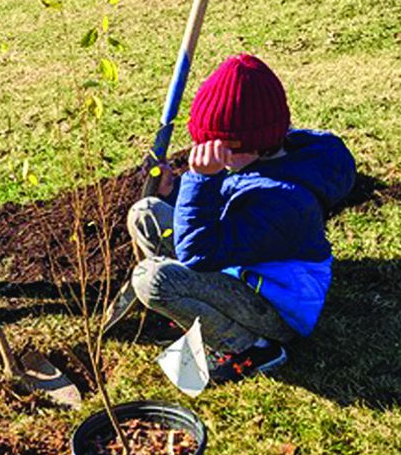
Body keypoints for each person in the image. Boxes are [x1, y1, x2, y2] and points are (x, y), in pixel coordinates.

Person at [125, 54, 355, 383]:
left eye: (216, 147)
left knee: (154, 280)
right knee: (146, 213)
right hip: (238, 267)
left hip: (275, 306)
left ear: (247, 143)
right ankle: (198, 314)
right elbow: (214, 214)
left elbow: (197, 251)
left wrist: (202, 178)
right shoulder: (256, 160)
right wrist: (173, 192)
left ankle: (251, 347)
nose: (209, 153)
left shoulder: (282, 202)